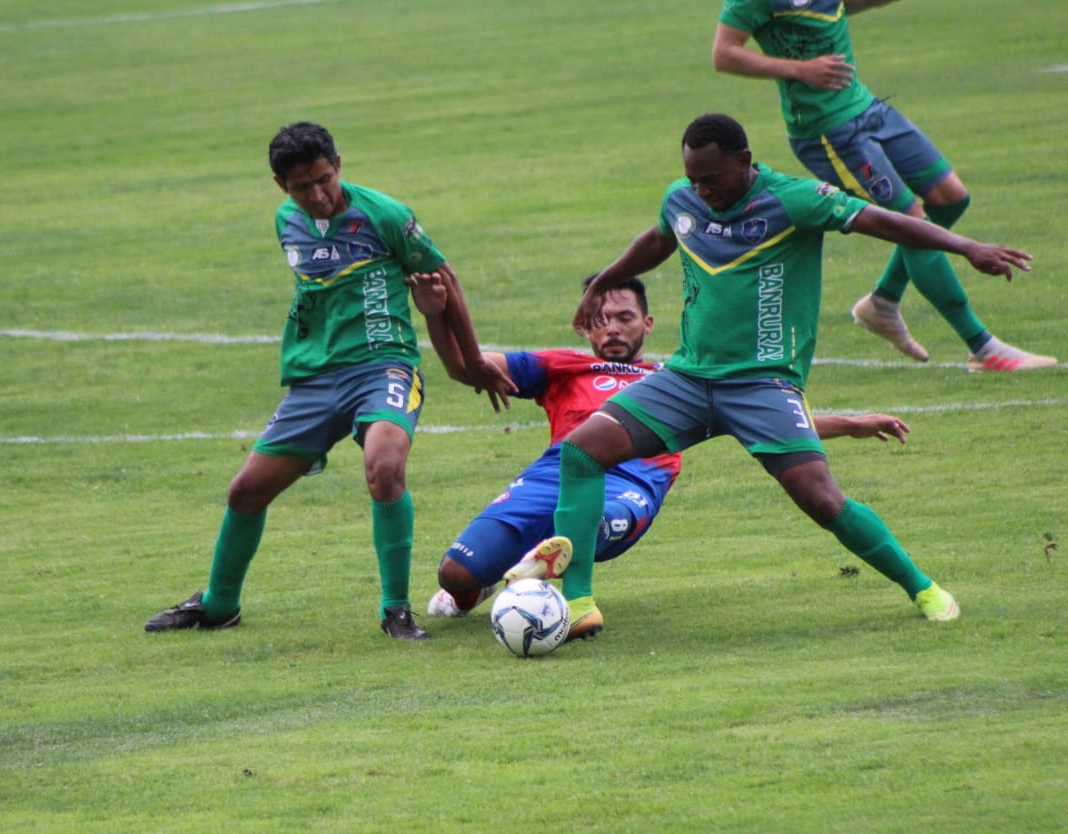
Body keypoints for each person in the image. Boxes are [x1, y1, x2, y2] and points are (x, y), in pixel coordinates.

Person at [533, 113, 1032, 639]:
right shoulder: (682, 199)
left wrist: (966, 246)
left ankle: (924, 588)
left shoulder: (795, 199)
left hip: (762, 383)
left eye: (712, 180)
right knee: (583, 449)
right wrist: (605, 281)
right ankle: (580, 602)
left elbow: (883, 221)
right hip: (687, 377)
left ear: (744, 162)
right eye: (694, 179)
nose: (701, 191)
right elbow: (661, 237)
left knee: (822, 500)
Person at [144, 121, 514, 641]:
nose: (317, 195)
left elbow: (442, 280)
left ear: (338, 165)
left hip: (384, 367)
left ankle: (396, 611)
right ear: (282, 188)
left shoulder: (385, 215)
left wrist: (469, 362)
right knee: (245, 491)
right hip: (315, 381)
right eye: (302, 187)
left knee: (384, 466)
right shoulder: (286, 223)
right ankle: (219, 603)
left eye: (324, 179)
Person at [420, 273, 913, 640]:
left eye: (624, 317)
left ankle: (545, 574)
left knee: (588, 526)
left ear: (649, 323)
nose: (611, 328)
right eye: (599, 320)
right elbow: (467, 367)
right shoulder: (563, 366)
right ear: (585, 328)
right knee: (455, 573)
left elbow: (771, 423)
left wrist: (851, 424)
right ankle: (490, 583)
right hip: (553, 473)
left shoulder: (683, 382)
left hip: (632, 484)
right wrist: (436, 313)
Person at [711, 0, 1056, 372]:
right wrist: (801, 69)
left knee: (950, 198)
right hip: (827, 130)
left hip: (867, 108)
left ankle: (883, 302)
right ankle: (983, 347)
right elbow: (724, 54)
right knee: (910, 222)